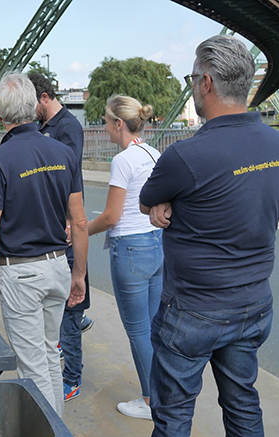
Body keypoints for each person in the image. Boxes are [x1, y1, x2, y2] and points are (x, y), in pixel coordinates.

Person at [139, 35, 279, 437]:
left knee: (173, 415)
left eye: (191, 78)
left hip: (194, 310)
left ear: (205, 83)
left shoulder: (186, 155)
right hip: (255, 304)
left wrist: (162, 203)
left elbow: (146, 200)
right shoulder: (278, 145)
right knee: (243, 405)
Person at [0, 73, 88, 417]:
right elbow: (80, 222)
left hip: (22, 274)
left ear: (0, 116)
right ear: (33, 106)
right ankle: (60, 432)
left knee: (32, 368)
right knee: (47, 355)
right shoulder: (63, 152)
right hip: (59, 265)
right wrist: (79, 275)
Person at [87, 95, 163, 420]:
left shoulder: (123, 160)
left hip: (130, 250)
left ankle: (150, 402)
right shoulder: (153, 154)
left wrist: (80, 231)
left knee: (138, 331)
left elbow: (111, 216)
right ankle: (164, 394)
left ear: (119, 124)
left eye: (106, 121)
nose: (104, 128)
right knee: (154, 327)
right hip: (157, 244)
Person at [28, 72, 93, 402]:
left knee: (69, 308)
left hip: (64, 227)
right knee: (60, 308)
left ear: (43, 97)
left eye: (31, 103)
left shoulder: (67, 127)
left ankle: (72, 378)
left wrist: (68, 220)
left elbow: (68, 178)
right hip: (50, 228)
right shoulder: (43, 128)